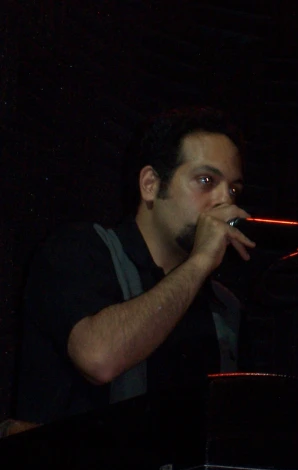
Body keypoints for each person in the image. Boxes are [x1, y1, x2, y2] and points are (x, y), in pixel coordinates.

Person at [15, 107, 256, 424]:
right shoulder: (81, 249)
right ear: (150, 185)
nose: (226, 200)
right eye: (206, 180)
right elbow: (98, 357)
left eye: (234, 188)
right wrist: (199, 262)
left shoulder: (223, 305)